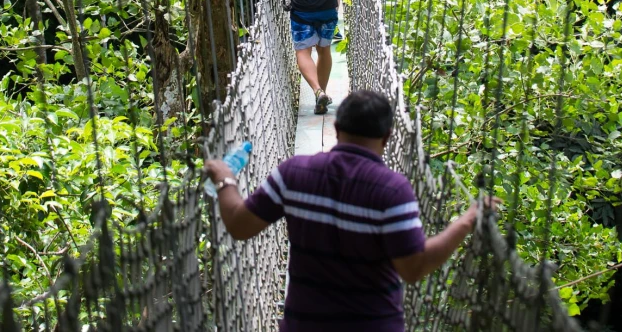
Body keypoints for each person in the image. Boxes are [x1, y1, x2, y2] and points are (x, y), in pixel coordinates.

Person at [204, 89, 494, 331]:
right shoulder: (393, 190)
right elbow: (414, 268)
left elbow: (239, 225)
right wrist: (467, 220)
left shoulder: (293, 174)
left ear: (337, 129)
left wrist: (225, 178)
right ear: (388, 137)